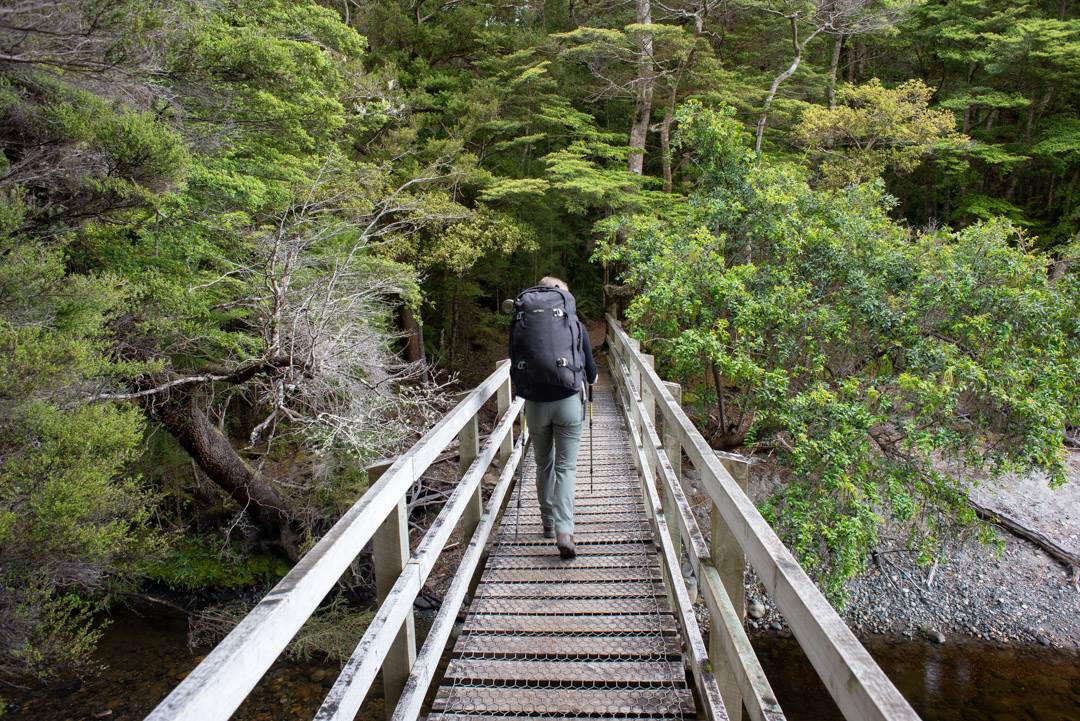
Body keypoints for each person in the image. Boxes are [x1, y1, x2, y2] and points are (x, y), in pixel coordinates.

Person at [509, 276, 597, 559]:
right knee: (565, 467)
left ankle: (547, 521)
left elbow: (514, 359)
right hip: (568, 402)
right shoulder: (575, 324)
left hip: (535, 403)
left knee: (543, 463)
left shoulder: (524, 322)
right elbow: (592, 373)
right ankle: (564, 531)